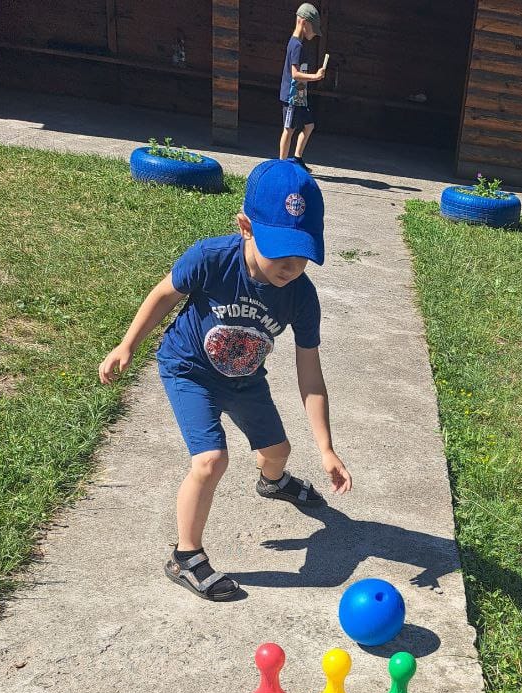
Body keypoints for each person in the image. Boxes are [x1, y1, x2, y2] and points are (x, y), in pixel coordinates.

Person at [98, 158, 351, 602]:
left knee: (278, 451)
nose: (291, 266)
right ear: (246, 227)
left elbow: (309, 373)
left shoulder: (301, 297)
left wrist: (326, 448)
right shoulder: (212, 258)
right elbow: (163, 294)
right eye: (281, 251)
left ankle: (273, 482)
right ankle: (186, 556)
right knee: (211, 460)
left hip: (245, 377)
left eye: (303, 255)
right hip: (189, 369)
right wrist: (128, 345)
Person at [279, 3, 325, 167]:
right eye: (314, 28)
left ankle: (297, 158)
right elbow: (295, 74)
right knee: (289, 129)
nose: (315, 33)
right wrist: (315, 77)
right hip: (291, 97)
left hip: (300, 97)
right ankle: (282, 165)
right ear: (304, 22)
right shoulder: (296, 45)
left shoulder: (297, 43)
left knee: (309, 125)